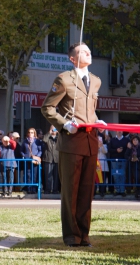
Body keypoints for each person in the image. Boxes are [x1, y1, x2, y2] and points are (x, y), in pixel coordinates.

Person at [41, 42, 106, 247]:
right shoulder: (63, 79)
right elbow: (48, 108)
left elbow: (90, 110)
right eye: (83, 51)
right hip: (71, 141)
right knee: (71, 190)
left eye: (89, 49)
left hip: (90, 141)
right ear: (72, 58)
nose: (88, 52)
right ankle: (71, 235)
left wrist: (98, 121)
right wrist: (64, 124)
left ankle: (84, 234)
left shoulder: (96, 81)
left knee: (87, 190)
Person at [20, 127, 42, 194]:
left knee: (34, 175)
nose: (30, 134)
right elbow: (21, 150)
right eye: (29, 132)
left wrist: (37, 157)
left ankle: (34, 189)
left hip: (34, 161)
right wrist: (24, 156)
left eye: (32, 132)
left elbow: (40, 150)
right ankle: (29, 189)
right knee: (28, 175)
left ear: (34, 133)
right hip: (27, 161)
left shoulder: (37, 141)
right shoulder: (25, 141)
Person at [108, 131, 129, 197]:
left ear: (122, 132)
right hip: (114, 160)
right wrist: (116, 150)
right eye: (118, 131)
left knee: (122, 175)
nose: (119, 132)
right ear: (116, 132)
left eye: (120, 131)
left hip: (123, 160)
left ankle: (122, 191)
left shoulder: (126, 140)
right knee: (116, 175)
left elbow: (129, 150)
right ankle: (117, 190)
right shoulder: (112, 140)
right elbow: (109, 149)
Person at [42, 125, 60, 194]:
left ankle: (55, 190)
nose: (54, 130)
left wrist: (58, 132)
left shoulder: (58, 138)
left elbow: (62, 141)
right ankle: (47, 189)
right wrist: (49, 132)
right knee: (48, 176)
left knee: (56, 176)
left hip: (56, 159)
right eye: (53, 129)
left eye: (55, 129)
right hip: (48, 159)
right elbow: (44, 140)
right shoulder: (48, 137)